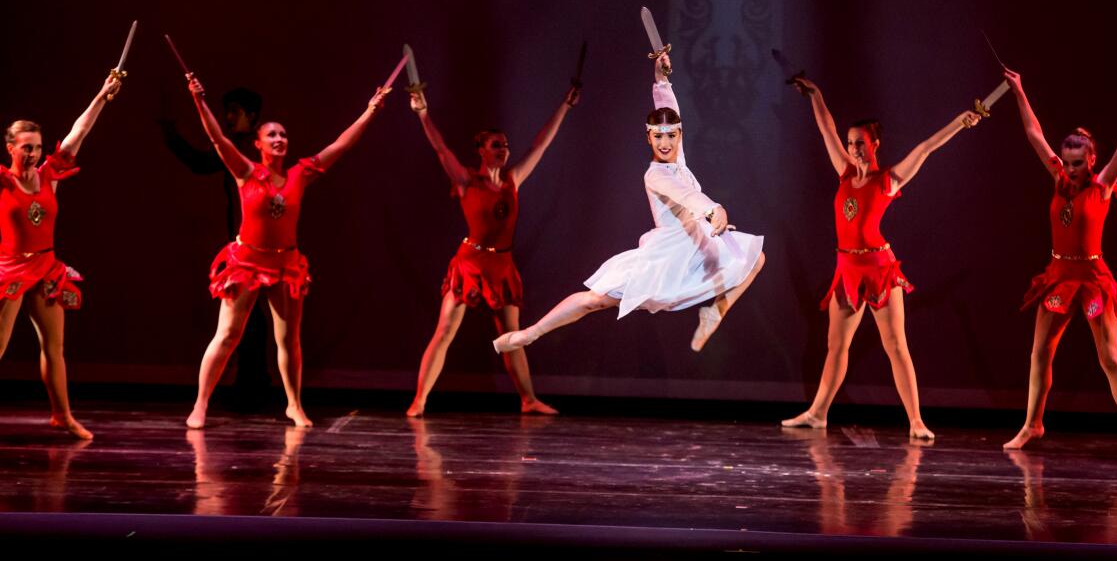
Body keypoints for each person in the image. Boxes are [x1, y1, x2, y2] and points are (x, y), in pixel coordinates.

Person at [493, 52, 765, 356]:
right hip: (667, 257)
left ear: (680, 135)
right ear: (648, 138)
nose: (665, 143)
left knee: (754, 257)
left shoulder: (678, 158)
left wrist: (661, 79)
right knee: (594, 300)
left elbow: (667, 108)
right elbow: (688, 196)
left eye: (671, 136)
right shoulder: (656, 175)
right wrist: (714, 208)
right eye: (658, 137)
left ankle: (713, 314)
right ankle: (528, 335)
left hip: (698, 242)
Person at [185, 75, 390, 428]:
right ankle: (200, 405)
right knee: (228, 335)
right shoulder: (245, 172)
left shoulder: (300, 174)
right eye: (272, 135)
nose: (280, 139)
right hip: (247, 262)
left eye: (283, 135)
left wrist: (369, 112)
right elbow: (217, 139)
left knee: (288, 339)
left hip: (285, 263)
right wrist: (199, 101)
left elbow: (340, 146)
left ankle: (294, 405)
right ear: (258, 144)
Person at [781, 76, 980, 439]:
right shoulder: (843, 173)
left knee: (895, 345)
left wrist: (960, 123)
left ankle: (916, 421)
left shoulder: (888, 179)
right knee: (835, 346)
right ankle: (818, 413)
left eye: (861, 143)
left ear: (875, 144)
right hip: (847, 269)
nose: (854, 148)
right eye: (851, 143)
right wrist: (817, 95)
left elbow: (926, 148)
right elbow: (826, 127)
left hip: (879, 269)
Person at [1001, 68, 1117, 460]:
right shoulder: (1058, 178)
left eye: (1078, 163)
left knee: (1109, 356)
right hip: (1058, 276)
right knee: (1040, 352)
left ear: (1092, 159)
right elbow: (1034, 135)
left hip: (1091, 277)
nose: (1071, 169)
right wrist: (1020, 90)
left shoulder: (1102, 185)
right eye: (1068, 163)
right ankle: (1032, 424)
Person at [405, 79, 580, 417]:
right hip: (470, 263)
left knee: (513, 336)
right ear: (481, 150)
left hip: (501, 266)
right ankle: (420, 399)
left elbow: (541, 145)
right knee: (444, 331)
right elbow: (440, 148)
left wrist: (565, 106)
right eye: (496, 145)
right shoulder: (467, 180)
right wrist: (423, 113)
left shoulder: (513, 180)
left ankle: (528, 399)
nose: (504, 149)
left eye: (505, 145)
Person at [0, 73, 124, 439]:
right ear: (10, 148)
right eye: (26, 147)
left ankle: (62, 415)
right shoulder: (3, 182)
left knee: (55, 348)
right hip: (10, 269)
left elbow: (78, 132)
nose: (33, 153)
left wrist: (101, 95)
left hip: (45, 266)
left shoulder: (50, 174)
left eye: (36, 147)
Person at [160, 87, 271, 406]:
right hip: (248, 239)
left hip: (251, 242)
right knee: (251, 316)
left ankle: (254, 384)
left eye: (235, 111)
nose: (229, 117)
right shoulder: (248, 147)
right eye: (228, 111)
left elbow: (200, 162)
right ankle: (255, 381)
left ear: (251, 117)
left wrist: (171, 137)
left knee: (249, 316)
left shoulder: (242, 147)